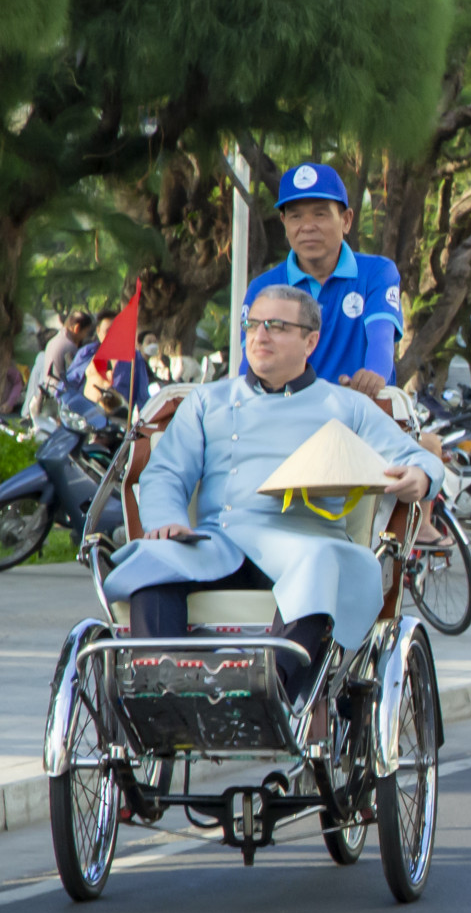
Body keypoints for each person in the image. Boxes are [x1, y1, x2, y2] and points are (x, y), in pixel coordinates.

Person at [103, 286, 443, 700]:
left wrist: (419, 478)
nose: (260, 336)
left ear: (310, 341)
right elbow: (165, 473)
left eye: (278, 326)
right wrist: (167, 521)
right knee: (156, 560)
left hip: (303, 543)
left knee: (321, 562)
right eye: (253, 325)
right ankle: (165, 691)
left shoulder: (346, 406)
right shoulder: (209, 401)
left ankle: (271, 697)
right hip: (218, 541)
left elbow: (416, 458)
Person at [242, 162, 405, 398]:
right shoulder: (262, 287)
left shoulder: (377, 273)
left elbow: (381, 341)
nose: (307, 227)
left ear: (346, 220)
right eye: (296, 216)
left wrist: (372, 378)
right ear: (284, 224)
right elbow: (249, 364)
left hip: (359, 413)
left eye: (320, 214)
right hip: (286, 420)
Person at [24, 310, 94, 421]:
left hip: (45, 393)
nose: (84, 336)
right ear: (76, 328)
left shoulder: (54, 340)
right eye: (85, 332)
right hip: (58, 398)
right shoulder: (70, 347)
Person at [63, 310, 118, 394]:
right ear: (98, 331)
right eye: (107, 331)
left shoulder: (132, 358)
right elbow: (70, 380)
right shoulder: (86, 353)